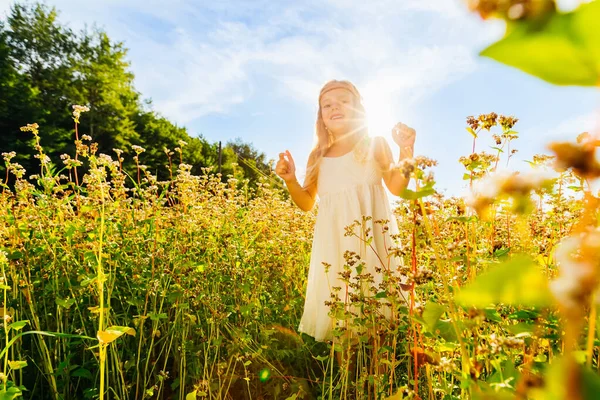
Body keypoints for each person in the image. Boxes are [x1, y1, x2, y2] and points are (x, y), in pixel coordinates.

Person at [275, 80, 416, 343]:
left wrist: (406, 149)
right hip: (336, 248)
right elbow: (306, 203)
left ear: (359, 109)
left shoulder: (376, 144)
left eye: (343, 101)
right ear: (321, 117)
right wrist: (291, 180)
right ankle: (345, 382)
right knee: (341, 317)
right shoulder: (317, 156)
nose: (334, 107)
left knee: (379, 310)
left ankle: (379, 378)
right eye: (326, 105)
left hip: (375, 241)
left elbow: (397, 187)